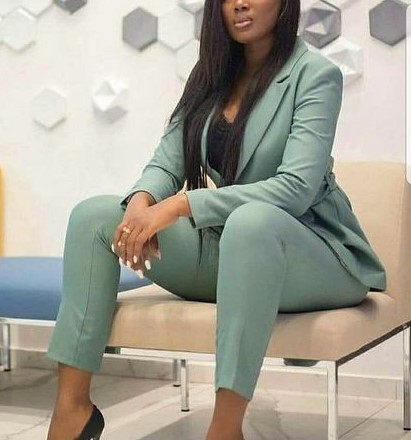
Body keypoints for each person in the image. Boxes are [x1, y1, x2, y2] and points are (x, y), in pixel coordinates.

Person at [46, 0, 387, 439]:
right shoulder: (209, 74)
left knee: (251, 223)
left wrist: (178, 206)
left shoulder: (315, 75)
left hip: (314, 256)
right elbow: (167, 160)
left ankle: (225, 429)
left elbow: (295, 188)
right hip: (236, 251)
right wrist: (141, 203)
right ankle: (72, 412)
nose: (239, 3)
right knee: (93, 217)